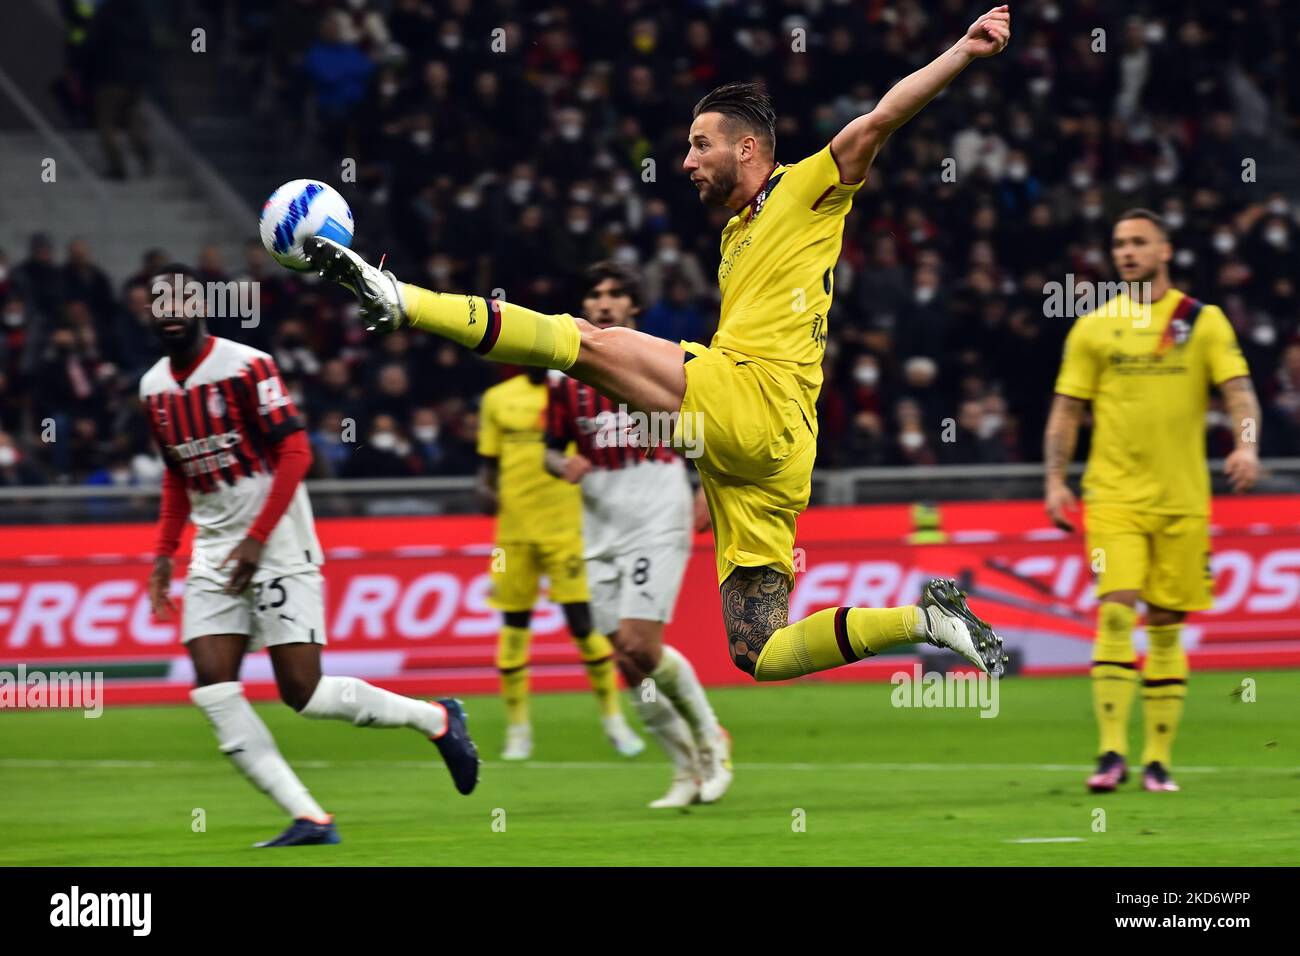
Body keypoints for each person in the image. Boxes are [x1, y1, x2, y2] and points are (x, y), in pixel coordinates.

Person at [306, 7, 1016, 682]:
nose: (684, 161)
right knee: (758, 648)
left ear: (747, 148)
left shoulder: (806, 187)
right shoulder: (737, 234)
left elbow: (881, 117)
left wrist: (964, 49)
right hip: (775, 448)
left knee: (582, 342)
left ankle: (401, 302)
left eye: (698, 144)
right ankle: (922, 620)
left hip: (755, 396)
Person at [140, 265, 478, 848]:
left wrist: (257, 536)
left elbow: (295, 452)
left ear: (200, 305)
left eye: (180, 298)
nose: (170, 309)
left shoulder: (247, 366)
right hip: (214, 554)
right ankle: (312, 818)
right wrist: (164, 553)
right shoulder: (153, 389)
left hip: (278, 545)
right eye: (158, 301)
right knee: (213, 687)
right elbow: (177, 474)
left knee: (305, 693)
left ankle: (437, 718)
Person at [1044, 210, 1261, 793]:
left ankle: (1158, 760)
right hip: (1113, 497)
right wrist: (1056, 481)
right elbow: (1067, 411)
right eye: (1119, 244)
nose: (1128, 252)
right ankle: (1111, 754)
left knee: (1166, 626)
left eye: (1140, 242)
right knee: (1116, 610)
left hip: (1183, 500)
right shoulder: (1092, 328)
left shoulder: (1202, 321)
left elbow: (1240, 395)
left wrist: (1246, 448)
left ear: (1166, 250)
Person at [545, 262, 729, 808]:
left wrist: (707, 489)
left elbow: (705, 427)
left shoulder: (663, 359)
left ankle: (712, 739)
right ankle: (684, 770)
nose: (602, 303)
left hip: (656, 501)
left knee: (638, 643)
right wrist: (561, 465)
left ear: (633, 308)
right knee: (622, 659)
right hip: (598, 511)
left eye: (615, 295)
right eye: (594, 294)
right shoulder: (564, 377)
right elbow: (547, 446)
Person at [477, 365, 643, 760]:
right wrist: (484, 493)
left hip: (568, 530)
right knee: (514, 627)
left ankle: (614, 721)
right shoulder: (497, 399)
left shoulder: (574, 395)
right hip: (512, 536)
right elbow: (487, 469)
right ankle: (518, 730)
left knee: (584, 626)